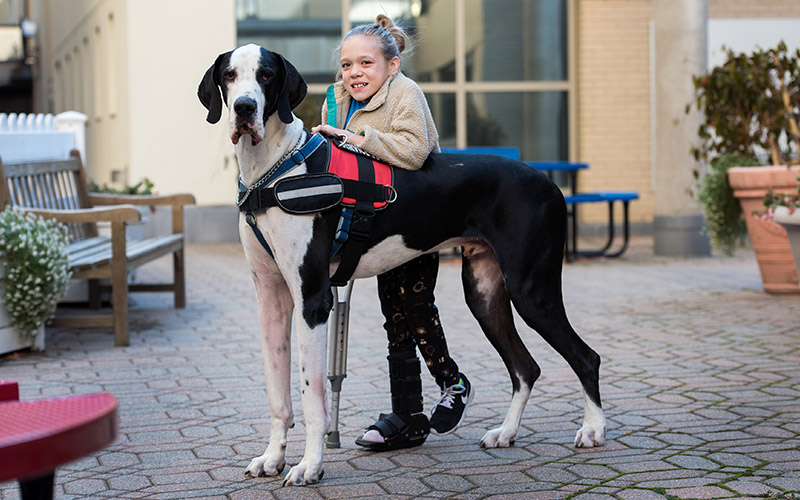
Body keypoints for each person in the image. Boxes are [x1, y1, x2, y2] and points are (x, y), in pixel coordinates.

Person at [312, 15, 474, 451]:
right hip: (372, 224)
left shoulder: (405, 93)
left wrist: (356, 137)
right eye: (347, 65)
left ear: (392, 65)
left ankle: (453, 381)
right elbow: (334, 157)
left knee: (416, 306)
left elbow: (415, 150)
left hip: (419, 221)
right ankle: (408, 416)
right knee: (394, 317)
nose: (354, 73)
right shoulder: (336, 99)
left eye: (365, 63)